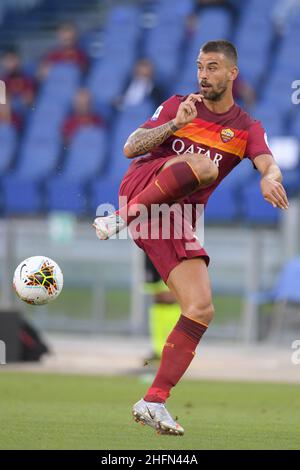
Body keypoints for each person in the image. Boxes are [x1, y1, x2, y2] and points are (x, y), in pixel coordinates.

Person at [93, 40, 289, 436]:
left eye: (213, 67)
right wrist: (174, 125)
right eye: (200, 66)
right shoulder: (179, 105)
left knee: (201, 308)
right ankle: (118, 219)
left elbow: (268, 164)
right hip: (141, 189)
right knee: (204, 165)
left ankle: (153, 401)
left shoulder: (247, 127)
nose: (204, 74)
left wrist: (269, 179)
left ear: (232, 73)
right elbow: (131, 146)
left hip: (172, 218)